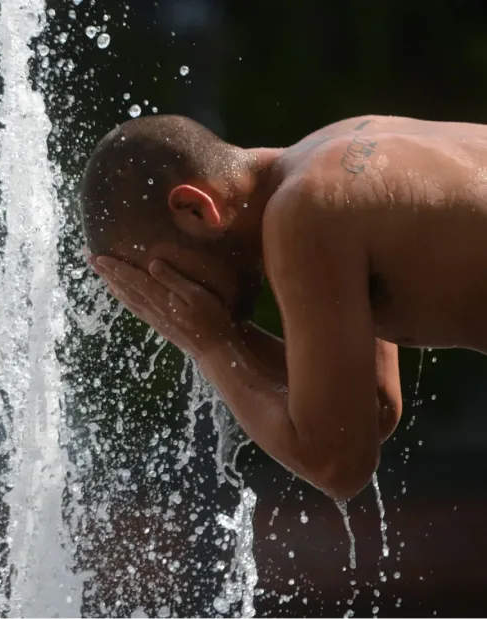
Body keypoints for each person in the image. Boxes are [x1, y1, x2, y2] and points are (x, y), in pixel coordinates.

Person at [79, 113, 487, 501]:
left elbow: (338, 463)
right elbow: (369, 408)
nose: (172, 297)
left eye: (164, 274)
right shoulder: (333, 154)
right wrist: (221, 332)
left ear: (196, 208)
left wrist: (212, 347)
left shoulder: (305, 210)